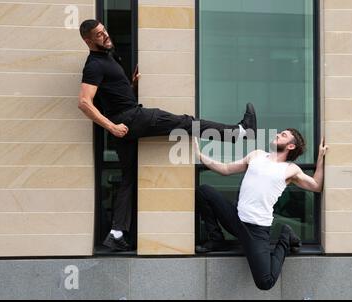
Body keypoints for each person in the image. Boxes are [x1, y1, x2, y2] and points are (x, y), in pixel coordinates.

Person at [77, 19, 257, 251]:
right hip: (131, 118)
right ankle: (240, 132)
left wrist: (129, 87)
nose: (105, 35)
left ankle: (116, 233)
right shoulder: (93, 65)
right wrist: (111, 126)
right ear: (88, 40)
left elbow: (111, 95)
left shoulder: (107, 58)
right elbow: (84, 102)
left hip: (126, 121)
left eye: (104, 31)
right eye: (99, 35)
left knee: (129, 178)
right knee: (185, 123)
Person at [194, 129, 328, 290]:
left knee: (265, 282)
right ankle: (216, 239)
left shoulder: (291, 169)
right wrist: (200, 155)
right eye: (280, 133)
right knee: (204, 191)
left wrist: (320, 157)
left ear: (291, 146)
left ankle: (285, 236)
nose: (278, 134)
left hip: (256, 230)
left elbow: (316, 186)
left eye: (283, 135)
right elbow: (226, 169)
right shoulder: (256, 155)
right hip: (236, 218)